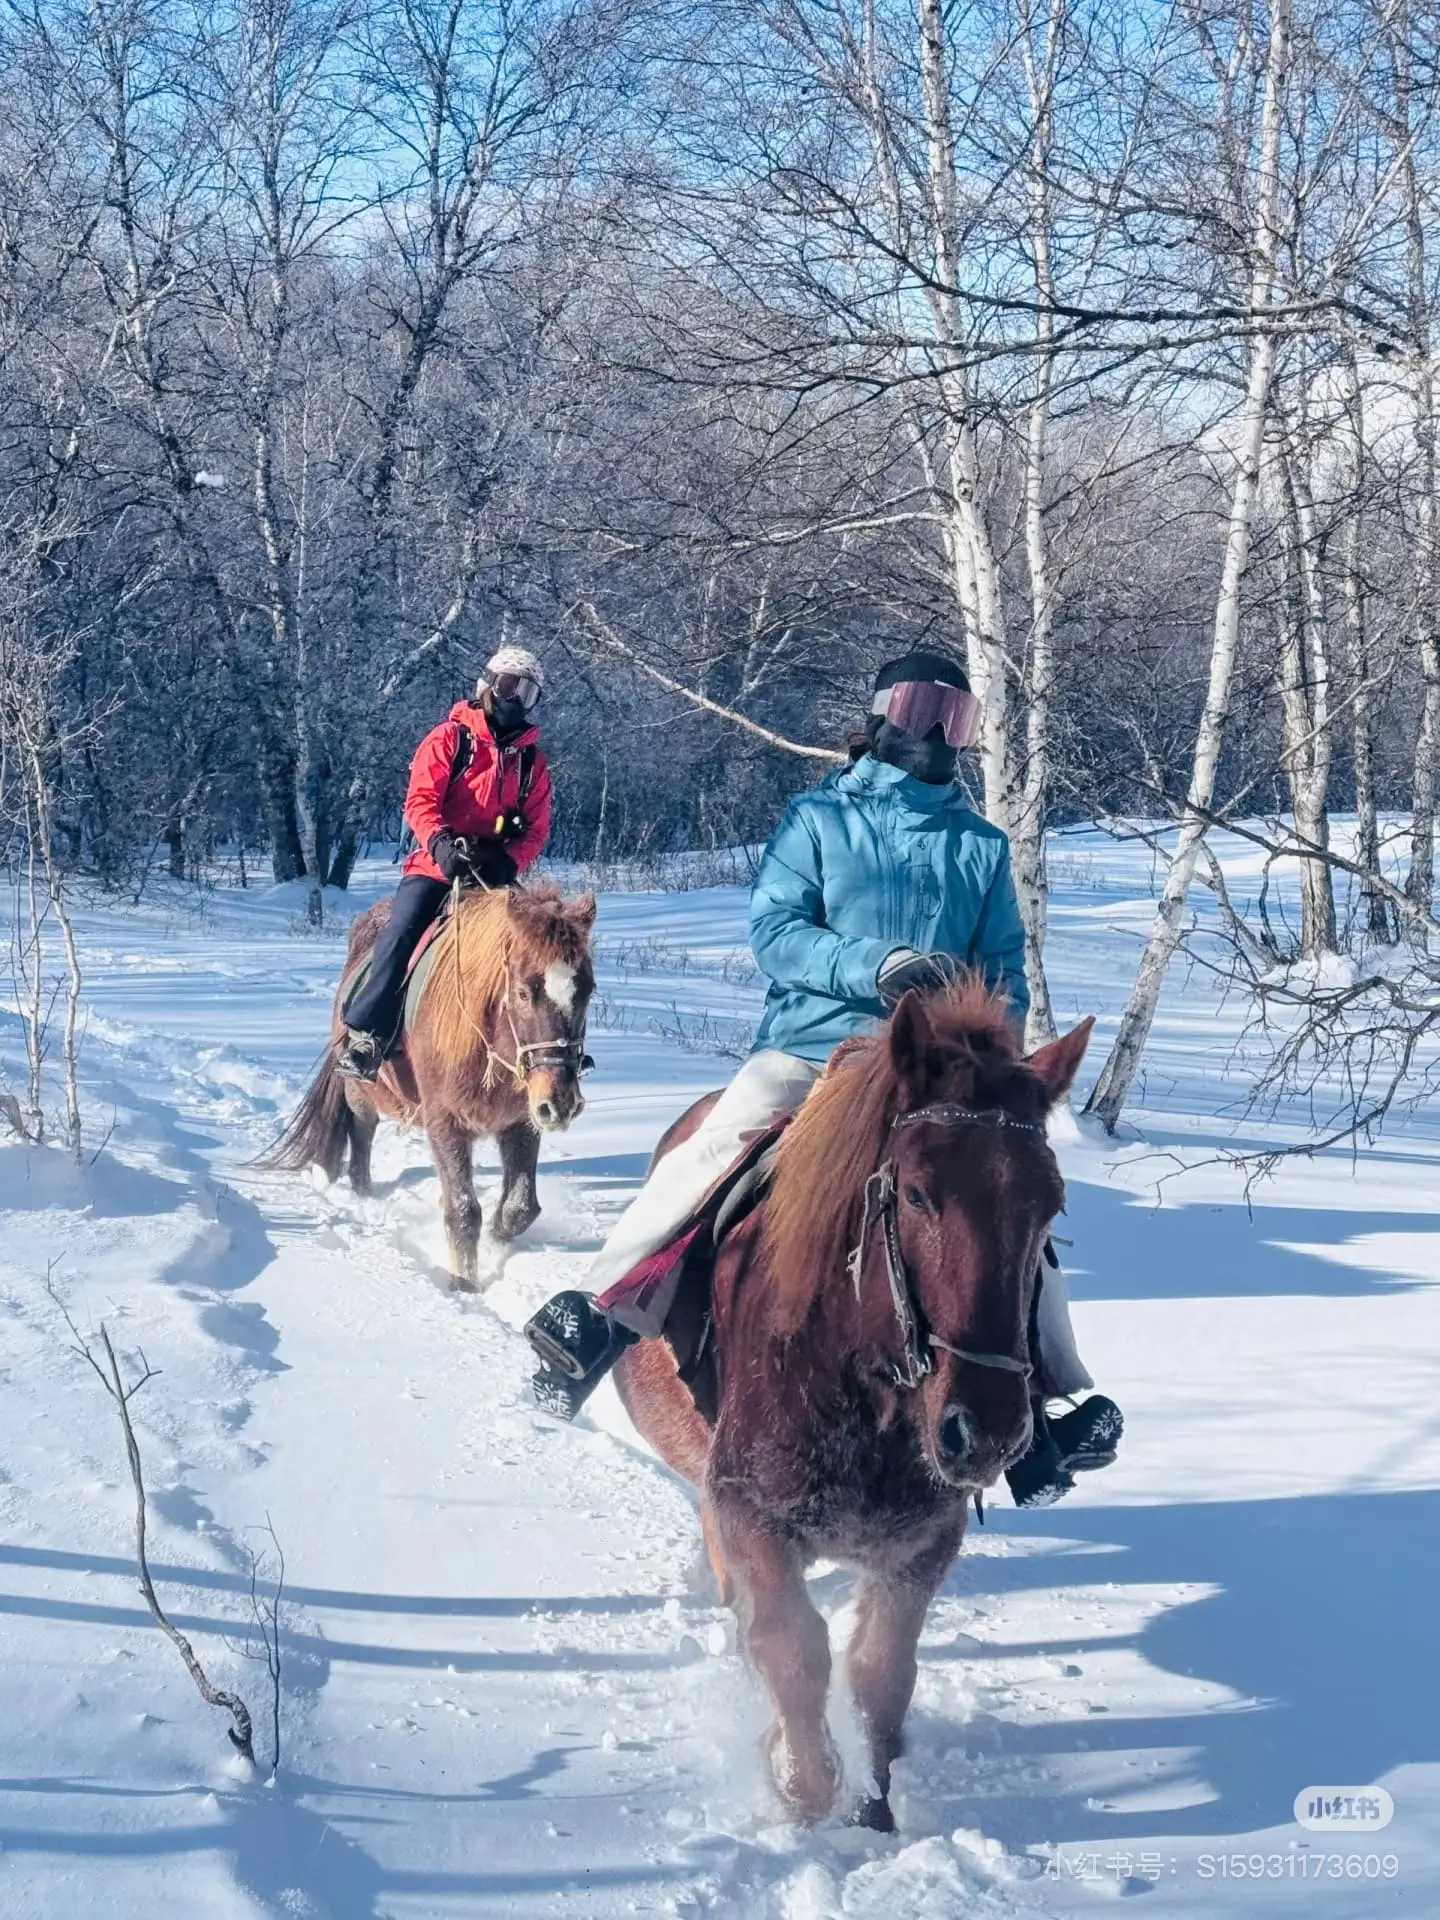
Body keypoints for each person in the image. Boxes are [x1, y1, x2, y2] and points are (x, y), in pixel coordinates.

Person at [526, 649, 1121, 1507]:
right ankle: (600, 1314)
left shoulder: (980, 847)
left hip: (935, 1080)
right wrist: (874, 968)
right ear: (880, 716)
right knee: (719, 1145)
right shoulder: (818, 821)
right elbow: (774, 931)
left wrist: (1000, 1059)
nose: (932, 733)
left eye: (953, 718)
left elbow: (1002, 970)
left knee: (1010, 1216)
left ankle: (1041, 1405)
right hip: (815, 1051)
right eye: (918, 710)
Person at [337, 644, 553, 1080]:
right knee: (401, 937)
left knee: (545, 948)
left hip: (494, 875)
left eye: (527, 694)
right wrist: (440, 846)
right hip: (439, 867)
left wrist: (510, 863)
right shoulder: (449, 740)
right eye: (510, 686)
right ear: (487, 685)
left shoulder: (531, 761)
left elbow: (537, 827)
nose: (515, 700)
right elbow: (421, 800)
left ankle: (552, 1053)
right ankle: (368, 1036)